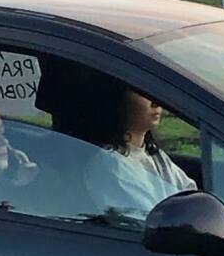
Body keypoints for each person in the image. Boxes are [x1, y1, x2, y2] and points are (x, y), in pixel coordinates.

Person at [75, 76, 195, 221]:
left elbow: (190, 197)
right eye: (142, 92)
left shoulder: (155, 155)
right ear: (118, 99)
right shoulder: (110, 165)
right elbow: (145, 221)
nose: (156, 102)